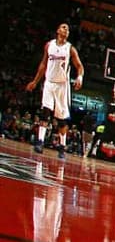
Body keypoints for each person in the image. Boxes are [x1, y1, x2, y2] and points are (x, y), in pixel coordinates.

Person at [26, 22, 84, 157]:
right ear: (58, 30)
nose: (66, 30)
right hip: (49, 83)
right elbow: (43, 64)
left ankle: (62, 146)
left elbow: (79, 66)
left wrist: (79, 78)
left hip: (62, 86)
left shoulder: (70, 49)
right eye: (64, 27)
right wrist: (35, 81)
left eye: (68, 29)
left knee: (61, 120)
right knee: (45, 111)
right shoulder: (49, 45)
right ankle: (40, 141)